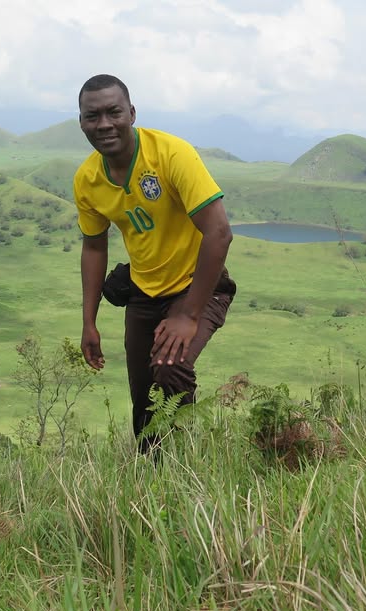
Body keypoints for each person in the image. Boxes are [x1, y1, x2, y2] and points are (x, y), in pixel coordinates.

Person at [73, 74, 236, 452]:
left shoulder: (171, 154)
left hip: (198, 286)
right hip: (144, 292)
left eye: (113, 112)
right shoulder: (87, 180)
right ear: (81, 122)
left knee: (170, 368)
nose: (104, 124)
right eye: (92, 116)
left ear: (131, 113)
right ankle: (152, 475)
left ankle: (188, 463)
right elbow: (94, 248)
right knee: (145, 397)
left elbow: (219, 233)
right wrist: (88, 322)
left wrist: (189, 315)